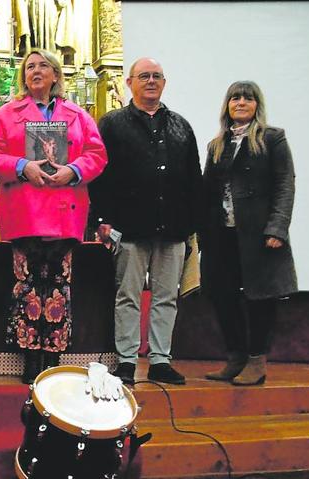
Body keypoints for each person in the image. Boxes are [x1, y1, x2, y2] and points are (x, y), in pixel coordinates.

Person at [0, 49, 107, 384]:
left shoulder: (77, 115)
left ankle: (53, 355)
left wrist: (74, 170)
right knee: (27, 287)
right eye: (30, 67)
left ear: (55, 75)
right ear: (23, 76)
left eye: (43, 66)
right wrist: (22, 166)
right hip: (24, 212)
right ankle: (30, 357)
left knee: (58, 288)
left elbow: (97, 153)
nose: (36, 71)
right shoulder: (7, 114)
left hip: (65, 212)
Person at [90, 57, 202, 385]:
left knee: (166, 296)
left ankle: (160, 360)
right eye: (144, 76)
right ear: (129, 82)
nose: (150, 81)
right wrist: (101, 219)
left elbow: (194, 177)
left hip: (175, 227)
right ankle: (126, 360)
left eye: (156, 76)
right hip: (128, 225)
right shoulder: (111, 123)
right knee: (128, 295)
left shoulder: (182, 126)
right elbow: (100, 176)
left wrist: (194, 225)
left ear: (164, 83)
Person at [201, 81, 297, 386]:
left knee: (260, 298)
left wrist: (277, 228)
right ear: (227, 105)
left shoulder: (272, 138)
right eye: (235, 98)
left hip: (259, 234)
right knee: (222, 296)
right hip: (222, 234)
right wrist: (202, 234)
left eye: (247, 98)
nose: (241, 102)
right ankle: (236, 357)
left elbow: (285, 184)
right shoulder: (217, 144)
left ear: (257, 104)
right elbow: (207, 193)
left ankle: (257, 361)